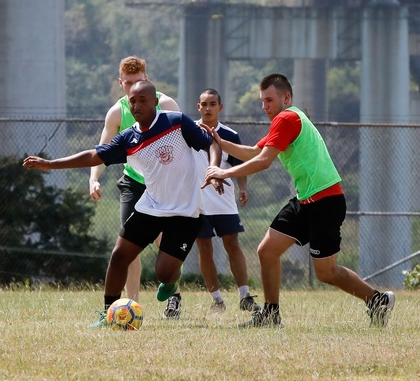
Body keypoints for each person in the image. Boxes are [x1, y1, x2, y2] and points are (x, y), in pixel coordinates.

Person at [24, 81, 228, 327]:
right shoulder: (129, 138)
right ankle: (108, 313)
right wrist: (50, 164)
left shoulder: (176, 122)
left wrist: (214, 168)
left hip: (186, 211)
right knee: (119, 255)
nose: (137, 105)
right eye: (133, 100)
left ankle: (171, 281)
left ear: (155, 101)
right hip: (151, 206)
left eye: (143, 100)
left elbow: (211, 143)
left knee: (164, 271)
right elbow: (94, 155)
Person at [203, 73, 395, 328]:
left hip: (325, 201)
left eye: (269, 100)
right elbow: (255, 151)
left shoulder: (288, 118)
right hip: (306, 200)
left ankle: (377, 300)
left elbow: (263, 161)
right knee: (266, 251)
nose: (265, 106)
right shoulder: (284, 120)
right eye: (262, 101)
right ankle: (271, 316)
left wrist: (223, 172)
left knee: (326, 273)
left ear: (286, 97)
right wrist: (220, 142)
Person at [88, 55, 185, 318]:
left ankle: (173, 293)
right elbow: (102, 151)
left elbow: (184, 147)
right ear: (121, 83)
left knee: (164, 244)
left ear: (147, 79)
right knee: (128, 246)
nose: (133, 88)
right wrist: (93, 178)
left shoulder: (165, 104)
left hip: (165, 185)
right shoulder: (117, 112)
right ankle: (130, 307)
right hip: (134, 182)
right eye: (127, 83)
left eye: (137, 81)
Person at [194, 88, 261, 314]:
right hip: (198, 201)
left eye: (212, 104)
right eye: (204, 104)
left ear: (220, 107)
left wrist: (243, 188)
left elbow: (240, 164)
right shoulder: (189, 132)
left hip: (224, 200)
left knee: (232, 244)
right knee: (204, 248)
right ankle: (217, 300)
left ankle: (245, 296)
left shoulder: (229, 135)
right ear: (198, 107)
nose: (208, 108)